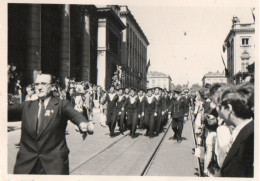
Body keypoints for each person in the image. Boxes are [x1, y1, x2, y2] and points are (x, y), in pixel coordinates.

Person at [8, 74, 91, 175]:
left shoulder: (61, 105)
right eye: (37, 84)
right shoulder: (27, 106)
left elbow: (74, 115)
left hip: (53, 165)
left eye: (43, 84)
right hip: (26, 165)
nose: (39, 87)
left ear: (52, 87)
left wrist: (82, 123)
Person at [218, 84, 254, 177]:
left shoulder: (251, 138)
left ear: (229, 108)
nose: (219, 114)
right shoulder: (246, 130)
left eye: (220, 107)